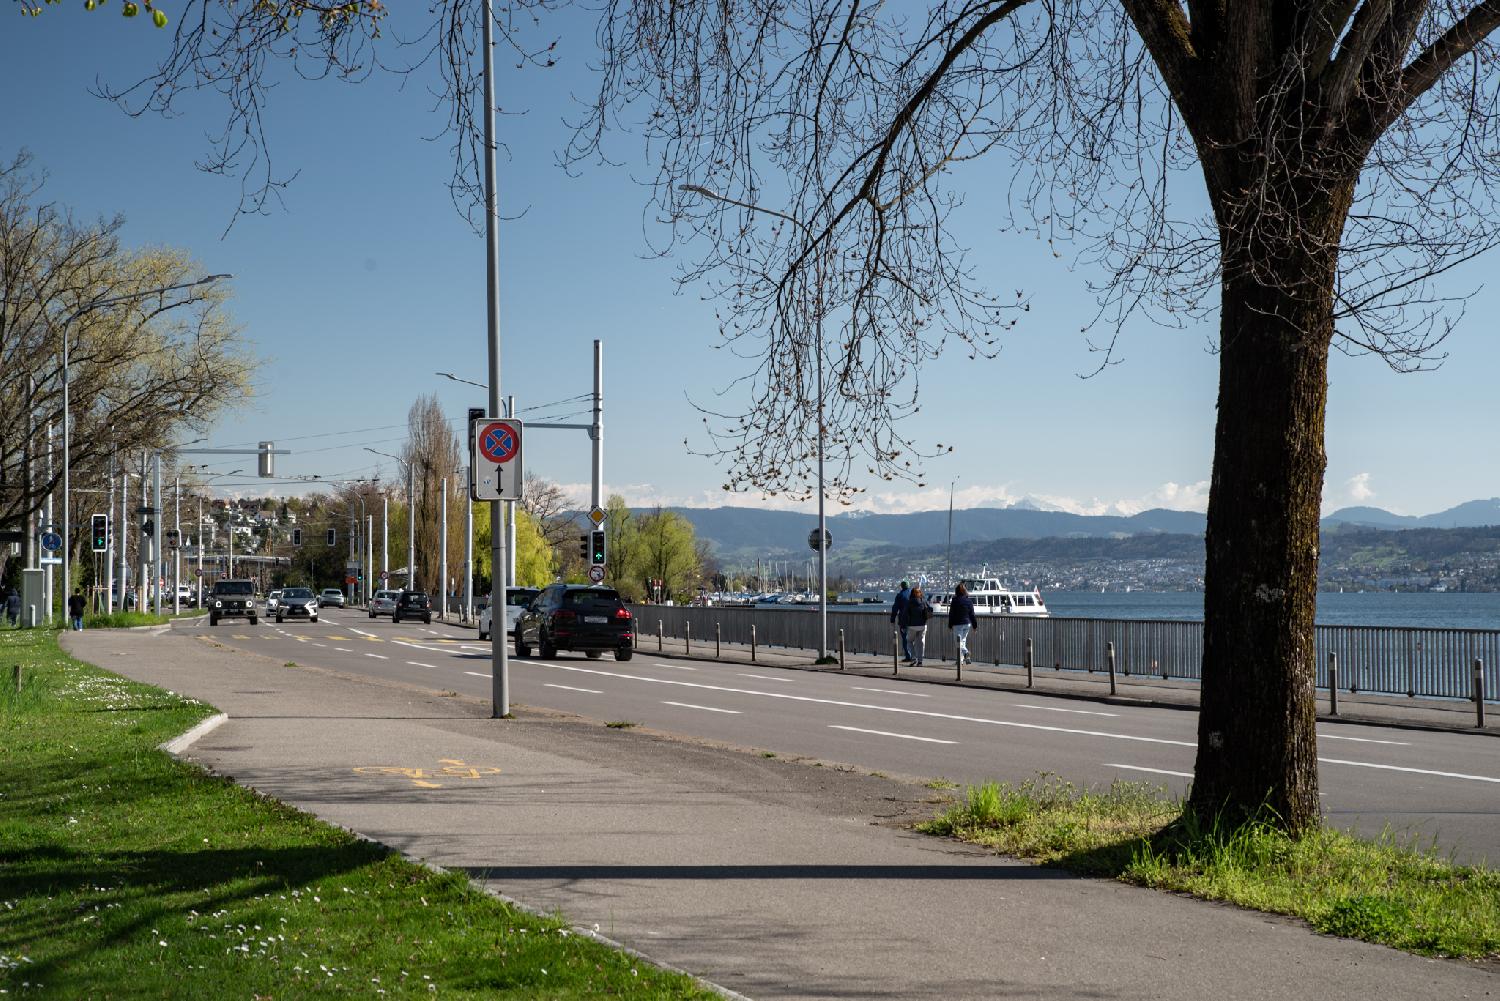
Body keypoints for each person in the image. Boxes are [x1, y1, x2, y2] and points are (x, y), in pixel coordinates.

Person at [948, 582, 977, 665]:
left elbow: (951, 614)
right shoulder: (969, 601)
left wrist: (950, 625)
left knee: (958, 642)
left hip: (958, 624)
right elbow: (972, 614)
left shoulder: (955, 601)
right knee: (962, 641)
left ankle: (966, 653)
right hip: (967, 623)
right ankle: (960, 661)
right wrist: (975, 626)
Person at [903, 586, 932, 666]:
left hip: (912, 625)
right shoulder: (924, 601)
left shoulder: (909, 602)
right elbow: (930, 610)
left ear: (912, 593)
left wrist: (903, 625)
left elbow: (904, 615)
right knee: (921, 643)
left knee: (909, 641)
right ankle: (920, 661)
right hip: (923, 625)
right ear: (920, 593)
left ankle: (913, 657)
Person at [889, 581, 912, 662]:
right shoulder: (913, 594)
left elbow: (895, 608)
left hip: (903, 621)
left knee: (905, 639)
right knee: (915, 639)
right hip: (914, 621)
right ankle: (916, 657)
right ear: (909, 586)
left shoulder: (900, 595)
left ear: (901, 587)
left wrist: (892, 619)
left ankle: (908, 656)